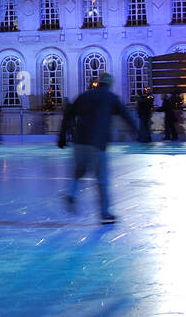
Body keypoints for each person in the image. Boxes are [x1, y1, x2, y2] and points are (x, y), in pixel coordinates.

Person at [58, 73, 139, 225]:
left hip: (80, 141)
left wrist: (62, 136)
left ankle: (71, 193)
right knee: (101, 179)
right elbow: (126, 115)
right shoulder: (111, 98)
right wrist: (136, 131)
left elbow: (68, 115)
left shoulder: (84, 96)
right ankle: (104, 213)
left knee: (79, 171)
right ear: (109, 84)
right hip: (97, 142)